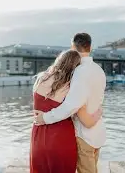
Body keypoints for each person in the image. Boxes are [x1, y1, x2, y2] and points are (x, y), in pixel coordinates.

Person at [34, 33, 107, 173]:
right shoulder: (99, 70)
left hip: (84, 135)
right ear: (90, 47)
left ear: (72, 47)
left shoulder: (79, 72)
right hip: (97, 131)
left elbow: (71, 106)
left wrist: (45, 118)